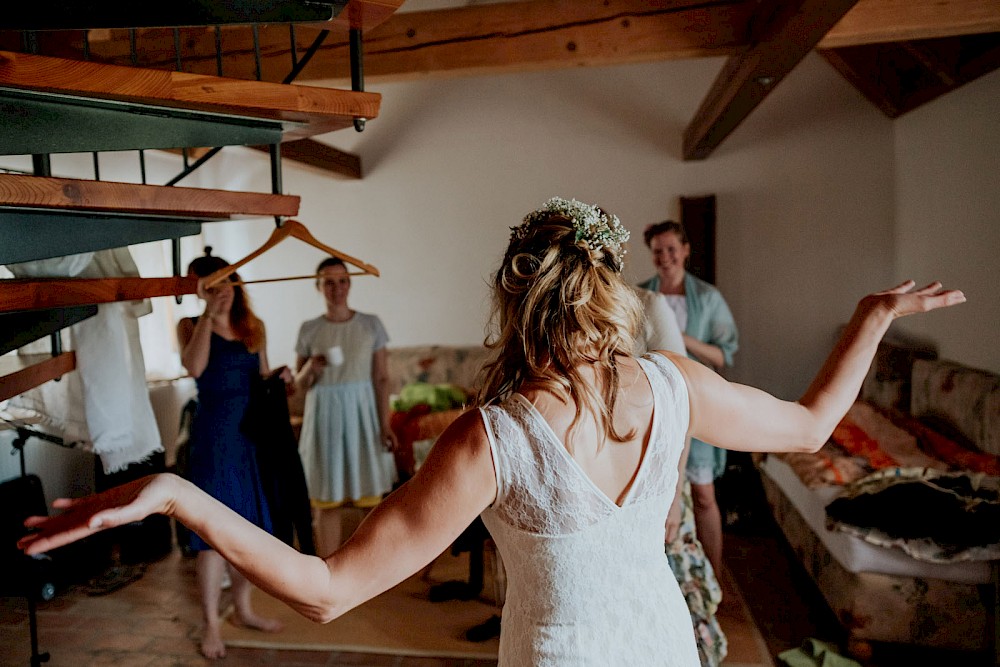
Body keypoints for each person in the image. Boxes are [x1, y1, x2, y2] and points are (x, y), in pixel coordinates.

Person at [19, 197, 964, 666]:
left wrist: (181, 492)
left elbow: (329, 590)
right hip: (665, 647)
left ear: (514, 297)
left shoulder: (493, 437)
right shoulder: (673, 385)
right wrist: (869, 315)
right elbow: (808, 420)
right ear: (608, 287)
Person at [173, 249, 291, 658]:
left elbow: (261, 378)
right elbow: (194, 368)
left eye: (214, 284)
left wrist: (281, 377)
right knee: (211, 534)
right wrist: (208, 315)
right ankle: (210, 623)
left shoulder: (252, 327)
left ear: (231, 282)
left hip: (250, 438)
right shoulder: (190, 324)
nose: (210, 292)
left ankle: (242, 609)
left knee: (248, 530)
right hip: (213, 437)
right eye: (201, 288)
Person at [639, 221, 738, 575]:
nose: (665, 257)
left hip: (698, 403)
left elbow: (724, 355)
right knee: (659, 494)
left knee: (703, 494)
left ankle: (713, 575)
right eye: (657, 251)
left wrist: (679, 338)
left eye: (670, 249)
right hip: (656, 406)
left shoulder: (709, 299)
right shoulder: (642, 297)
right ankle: (670, 577)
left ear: (685, 250)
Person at [635, 286, 727, 666]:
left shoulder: (649, 307)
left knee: (673, 585)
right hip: (610, 484)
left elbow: (682, 407)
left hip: (658, 477)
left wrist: (673, 495)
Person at [293, 257, 398, 555]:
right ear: (318, 287)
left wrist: (385, 424)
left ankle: (372, 566)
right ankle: (329, 570)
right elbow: (298, 387)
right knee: (327, 498)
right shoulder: (309, 329)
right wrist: (311, 368)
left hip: (363, 416)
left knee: (370, 498)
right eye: (329, 282)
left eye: (342, 281)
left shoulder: (370, 324)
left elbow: (381, 377)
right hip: (324, 416)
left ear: (350, 283)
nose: (336, 288)